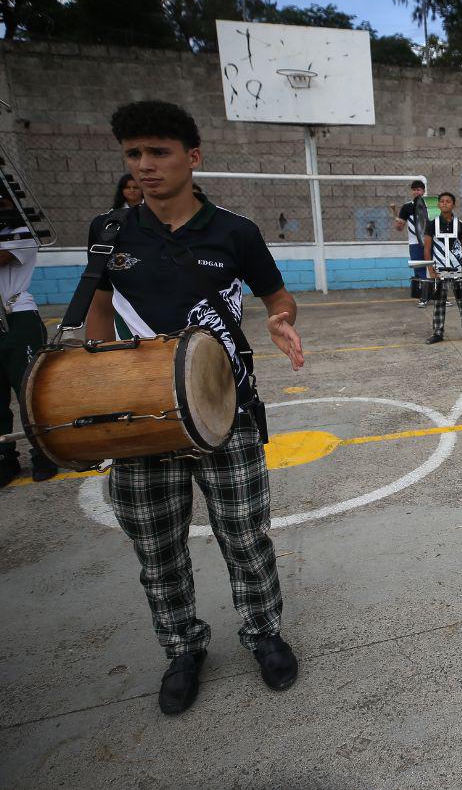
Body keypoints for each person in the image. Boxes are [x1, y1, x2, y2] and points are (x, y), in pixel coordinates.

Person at [85, 100, 305, 716]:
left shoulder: (234, 232)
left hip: (222, 412)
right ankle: (183, 647)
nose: (145, 166)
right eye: (134, 154)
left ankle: (263, 632)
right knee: (157, 546)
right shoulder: (111, 233)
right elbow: (97, 314)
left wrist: (281, 322)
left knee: (245, 535)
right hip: (140, 421)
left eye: (158, 152)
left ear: (192, 157)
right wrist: (94, 372)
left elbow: (276, 295)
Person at [0, 197, 58, 487]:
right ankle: (4, 457)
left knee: (26, 389)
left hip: (17, 317)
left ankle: (43, 452)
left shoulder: (21, 233)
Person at [423, 191, 462, 344]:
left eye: (448, 201)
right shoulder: (432, 224)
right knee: (439, 303)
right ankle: (438, 333)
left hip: (457, 269)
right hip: (439, 269)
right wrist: (430, 270)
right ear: (439, 205)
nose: (444, 203)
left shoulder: (459, 225)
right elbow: (427, 248)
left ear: (453, 204)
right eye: (442, 201)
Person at [396, 179, 431, 307]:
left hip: (431, 242)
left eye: (419, 189)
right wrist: (398, 225)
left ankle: (439, 295)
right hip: (415, 243)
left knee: (435, 268)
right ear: (412, 191)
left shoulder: (431, 206)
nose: (417, 192)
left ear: (423, 191)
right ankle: (424, 296)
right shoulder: (407, 207)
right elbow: (400, 227)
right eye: (414, 189)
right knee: (419, 269)